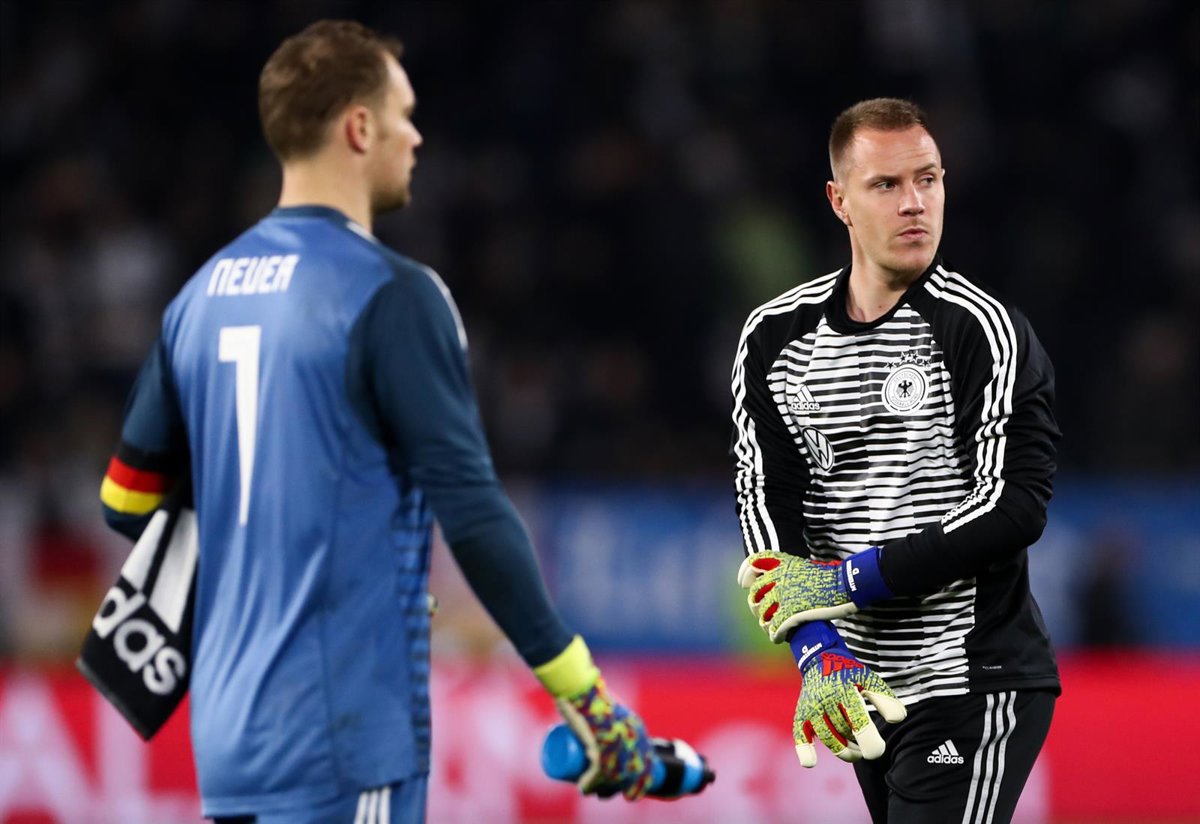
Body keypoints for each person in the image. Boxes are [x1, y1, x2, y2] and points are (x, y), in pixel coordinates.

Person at [99, 20, 655, 823]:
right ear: (359, 128)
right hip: (346, 737)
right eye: (405, 114)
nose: (417, 136)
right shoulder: (391, 294)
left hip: (227, 744)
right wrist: (582, 691)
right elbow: (473, 511)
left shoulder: (197, 297)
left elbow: (125, 502)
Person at [730, 98, 1060, 823]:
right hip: (861, 686)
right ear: (839, 201)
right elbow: (765, 502)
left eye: (928, 179)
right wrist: (816, 646)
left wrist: (848, 581)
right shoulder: (774, 338)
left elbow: (1013, 507)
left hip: (973, 676)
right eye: (886, 184)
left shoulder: (982, 330)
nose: (914, 203)